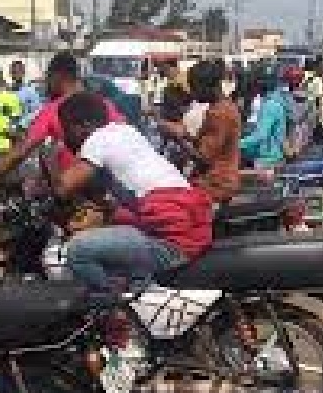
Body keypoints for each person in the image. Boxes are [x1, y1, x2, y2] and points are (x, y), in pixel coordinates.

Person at [56, 91, 213, 298]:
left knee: (77, 252)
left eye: (66, 128)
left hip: (172, 241)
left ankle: (114, 311)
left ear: (84, 125)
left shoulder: (95, 140)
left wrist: (42, 186)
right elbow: (122, 187)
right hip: (187, 220)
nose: (64, 136)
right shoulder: (126, 131)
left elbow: (63, 187)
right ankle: (136, 292)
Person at [0, 51, 124, 187]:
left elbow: (21, 150)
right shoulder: (104, 104)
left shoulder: (53, 109)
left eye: (48, 78)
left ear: (58, 77)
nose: (47, 84)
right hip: (111, 188)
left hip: (73, 190)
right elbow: (124, 137)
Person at [158, 60, 242, 204]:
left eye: (195, 88)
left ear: (207, 86)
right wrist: (178, 131)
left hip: (215, 184)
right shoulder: (224, 107)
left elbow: (202, 157)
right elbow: (203, 140)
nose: (193, 93)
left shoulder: (220, 114)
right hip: (214, 180)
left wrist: (178, 138)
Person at [241, 72, 289, 168]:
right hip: (273, 154)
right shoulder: (275, 101)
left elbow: (261, 135)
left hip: (267, 158)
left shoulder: (270, 106)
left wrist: (237, 144)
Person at [9, 59, 43, 128]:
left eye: (19, 71)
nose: (16, 74)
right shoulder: (7, 92)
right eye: (14, 72)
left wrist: (22, 124)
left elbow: (37, 111)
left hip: (24, 129)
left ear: (23, 73)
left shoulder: (30, 91)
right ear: (10, 73)